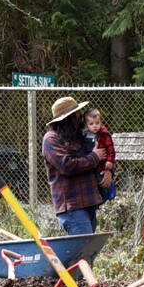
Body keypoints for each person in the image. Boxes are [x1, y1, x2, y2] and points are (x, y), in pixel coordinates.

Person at [41, 95, 107, 235]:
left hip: (90, 201)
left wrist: (108, 170)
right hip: (72, 206)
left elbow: (105, 151)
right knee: (83, 250)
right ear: (67, 119)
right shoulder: (51, 139)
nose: (81, 117)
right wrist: (94, 157)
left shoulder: (80, 136)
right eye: (77, 115)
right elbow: (67, 166)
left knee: (86, 252)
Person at [88, 108, 118, 203]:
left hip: (103, 165)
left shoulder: (104, 134)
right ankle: (102, 199)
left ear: (101, 122)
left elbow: (110, 149)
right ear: (87, 125)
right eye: (91, 124)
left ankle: (110, 195)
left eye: (97, 123)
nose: (95, 126)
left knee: (103, 181)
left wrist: (110, 161)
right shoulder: (87, 135)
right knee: (97, 182)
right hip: (94, 165)